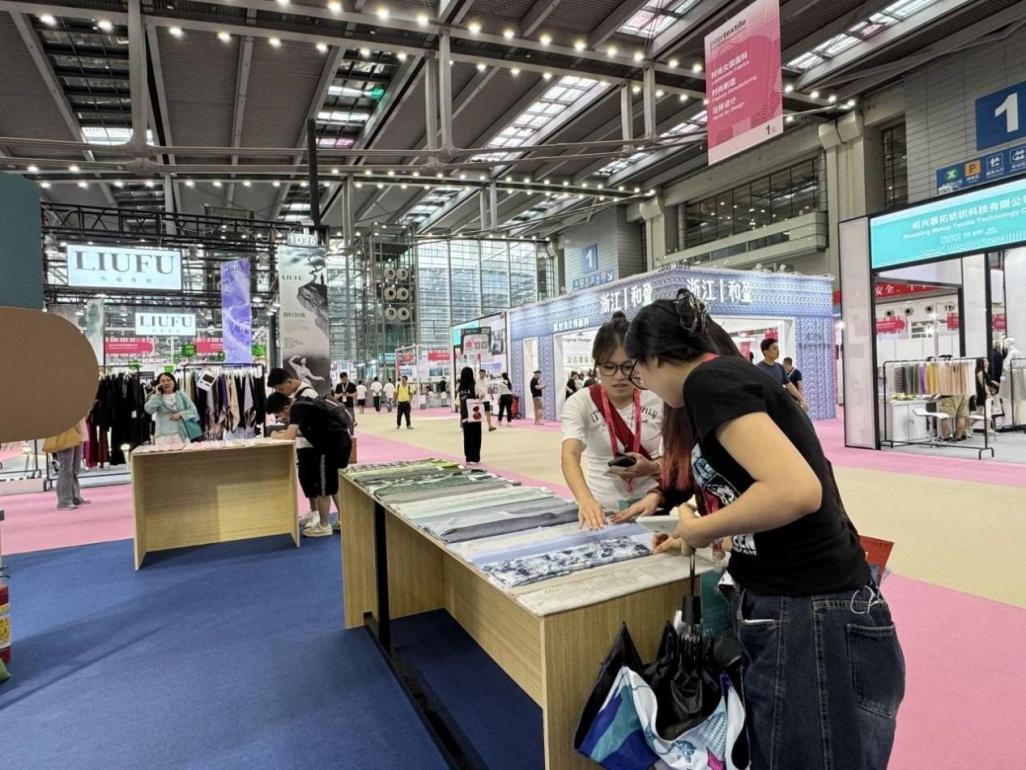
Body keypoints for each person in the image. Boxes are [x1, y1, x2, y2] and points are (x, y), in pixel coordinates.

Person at [625, 289, 904, 769]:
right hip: (811, 606)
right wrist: (703, 531)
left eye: (637, 372)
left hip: (808, 611)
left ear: (652, 358)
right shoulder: (730, 378)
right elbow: (766, 496)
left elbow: (795, 491)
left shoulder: (709, 382)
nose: (643, 384)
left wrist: (701, 528)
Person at [561, 311, 663, 529]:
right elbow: (570, 454)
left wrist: (653, 467)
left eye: (627, 366)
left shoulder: (658, 397)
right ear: (597, 365)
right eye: (609, 367)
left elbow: (679, 458)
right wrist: (585, 499)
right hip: (601, 513)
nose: (619, 376)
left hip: (654, 506)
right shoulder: (581, 402)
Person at [267, 391, 351, 537]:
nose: (281, 419)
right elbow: (306, 430)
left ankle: (324, 526)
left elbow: (289, 437)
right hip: (342, 443)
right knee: (333, 485)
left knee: (323, 488)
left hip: (328, 448)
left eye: (279, 415)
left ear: (286, 408)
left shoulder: (297, 408)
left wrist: (274, 435)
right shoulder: (305, 401)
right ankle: (343, 520)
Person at [269, 367, 339, 527]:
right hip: (314, 444)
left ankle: (325, 523)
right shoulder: (299, 395)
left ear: (289, 381)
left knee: (325, 486)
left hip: (318, 446)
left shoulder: (306, 395)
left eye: (281, 389)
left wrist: (278, 435)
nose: (281, 392)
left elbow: (301, 430)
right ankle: (320, 516)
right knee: (317, 483)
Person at [144, 372, 199, 449]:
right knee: (164, 456)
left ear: (174, 382)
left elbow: (193, 411)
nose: (166, 383)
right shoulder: (156, 397)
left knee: (182, 455)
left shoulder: (182, 395)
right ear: (159, 384)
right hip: (162, 435)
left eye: (168, 380)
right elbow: (149, 410)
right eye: (163, 381)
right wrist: (156, 395)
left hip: (181, 434)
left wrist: (180, 414)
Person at [45, 421, 89, 511]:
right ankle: (64, 501)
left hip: (78, 429)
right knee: (66, 468)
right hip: (64, 431)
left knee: (75, 469)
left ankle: (75, 497)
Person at [758, 338, 807, 410]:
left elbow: (789, 385)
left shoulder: (780, 367)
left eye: (778, 348)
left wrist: (801, 399)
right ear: (766, 352)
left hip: (779, 405)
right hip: (765, 406)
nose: (778, 351)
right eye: (774, 348)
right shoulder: (758, 369)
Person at [458, 367, 482, 463]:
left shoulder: (460, 388)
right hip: (474, 415)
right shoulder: (474, 385)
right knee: (476, 436)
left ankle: (468, 456)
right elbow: (481, 394)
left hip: (464, 415)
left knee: (467, 437)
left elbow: (458, 402)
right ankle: (475, 457)